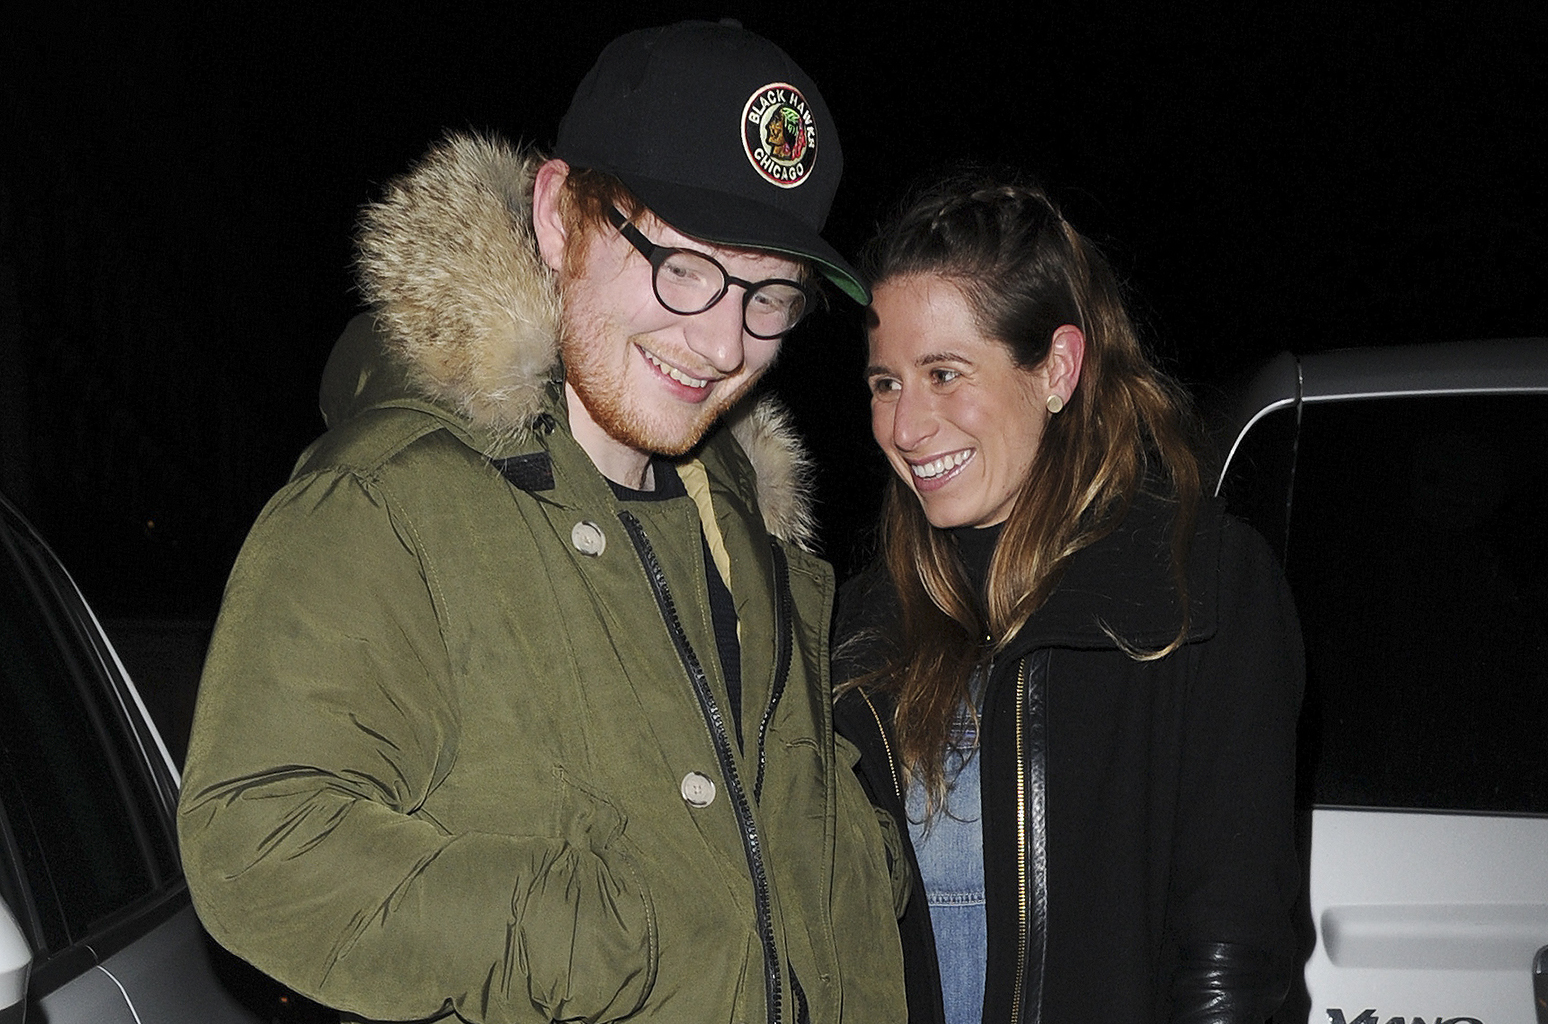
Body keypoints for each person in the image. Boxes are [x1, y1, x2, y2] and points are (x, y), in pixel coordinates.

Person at [177, 21, 906, 1024]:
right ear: (562, 218)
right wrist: (603, 937)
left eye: (768, 295)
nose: (723, 340)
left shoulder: (757, 549)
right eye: (682, 266)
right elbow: (259, 842)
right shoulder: (393, 506)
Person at [832, 173, 1305, 1024]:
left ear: (1056, 367)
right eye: (885, 383)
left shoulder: (1196, 590)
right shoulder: (858, 627)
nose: (905, 427)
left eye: (944, 373)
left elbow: (1234, 963)